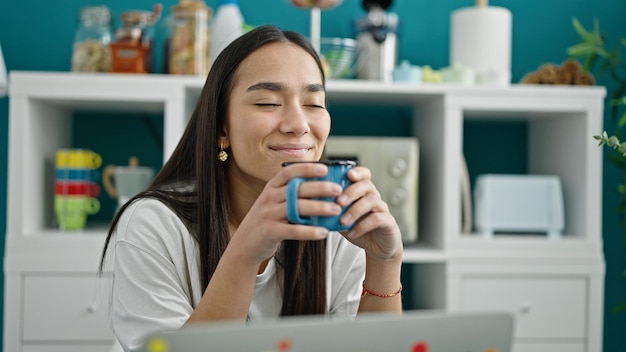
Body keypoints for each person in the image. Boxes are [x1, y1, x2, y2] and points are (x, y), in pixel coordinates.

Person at [99, 24, 404, 351]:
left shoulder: (336, 230)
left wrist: (385, 262)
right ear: (221, 128)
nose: (299, 125)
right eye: (268, 103)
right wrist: (246, 251)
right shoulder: (152, 224)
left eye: (314, 103)